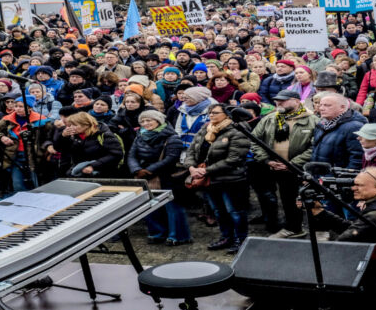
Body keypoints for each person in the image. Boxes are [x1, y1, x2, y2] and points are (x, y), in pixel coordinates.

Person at [184, 103, 251, 254]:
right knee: (219, 211)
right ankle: (226, 237)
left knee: (235, 211)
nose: (211, 115)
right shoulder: (205, 128)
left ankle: (241, 240)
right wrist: (191, 168)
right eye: (210, 112)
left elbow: (234, 159)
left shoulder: (237, 131)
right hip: (210, 180)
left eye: (215, 113)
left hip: (231, 179)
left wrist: (205, 171)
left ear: (227, 114)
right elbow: (191, 151)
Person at [251, 90, 317, 238]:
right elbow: (254, 140)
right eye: (277, 100)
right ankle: (273, 223)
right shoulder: (269, 119)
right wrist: (266, 160)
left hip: (295, 169)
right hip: (269, 166)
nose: (278, 103)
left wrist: (292, 164)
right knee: (268, 196)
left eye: (283, 100)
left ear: (296, 101)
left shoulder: (312, 120)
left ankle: (295, 228)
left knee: (292, 200)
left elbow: (315, 147)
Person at [128, 109, 190, 245]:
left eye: (149, 120)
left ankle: (177, 236)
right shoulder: (140, 135)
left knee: (172, 207)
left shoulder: (171, 137)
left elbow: (171, 158)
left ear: (158, 121)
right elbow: (132, 155)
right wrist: (137, 169)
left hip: (167, 175)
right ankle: (157, 233)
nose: (145, 123)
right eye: (142, 121)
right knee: (150, 205)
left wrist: (149, 170)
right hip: (144, 175)